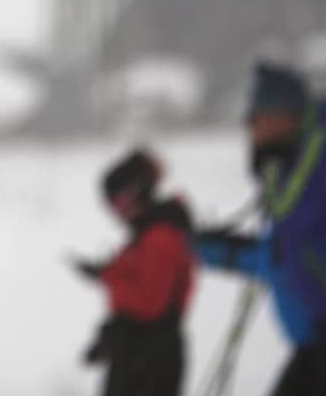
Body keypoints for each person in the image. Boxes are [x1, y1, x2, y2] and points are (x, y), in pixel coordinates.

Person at [192, 60, 326, 396]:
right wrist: (225, 252)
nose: (253, 129)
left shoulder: (316, 165)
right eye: (251, 120)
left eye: (261, 119)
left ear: (289, 115)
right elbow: (285, 257)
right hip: (312, 341)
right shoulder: (283, 168)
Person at [74, 149, 195, 396]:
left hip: (154, 358)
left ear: (138, 192)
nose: (117, 213)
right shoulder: (145, 233)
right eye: (111, 206)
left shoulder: (162, 236)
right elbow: (134, 278)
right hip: (135, 350)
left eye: (120, 202)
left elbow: (149, 303)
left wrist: (107, 277)